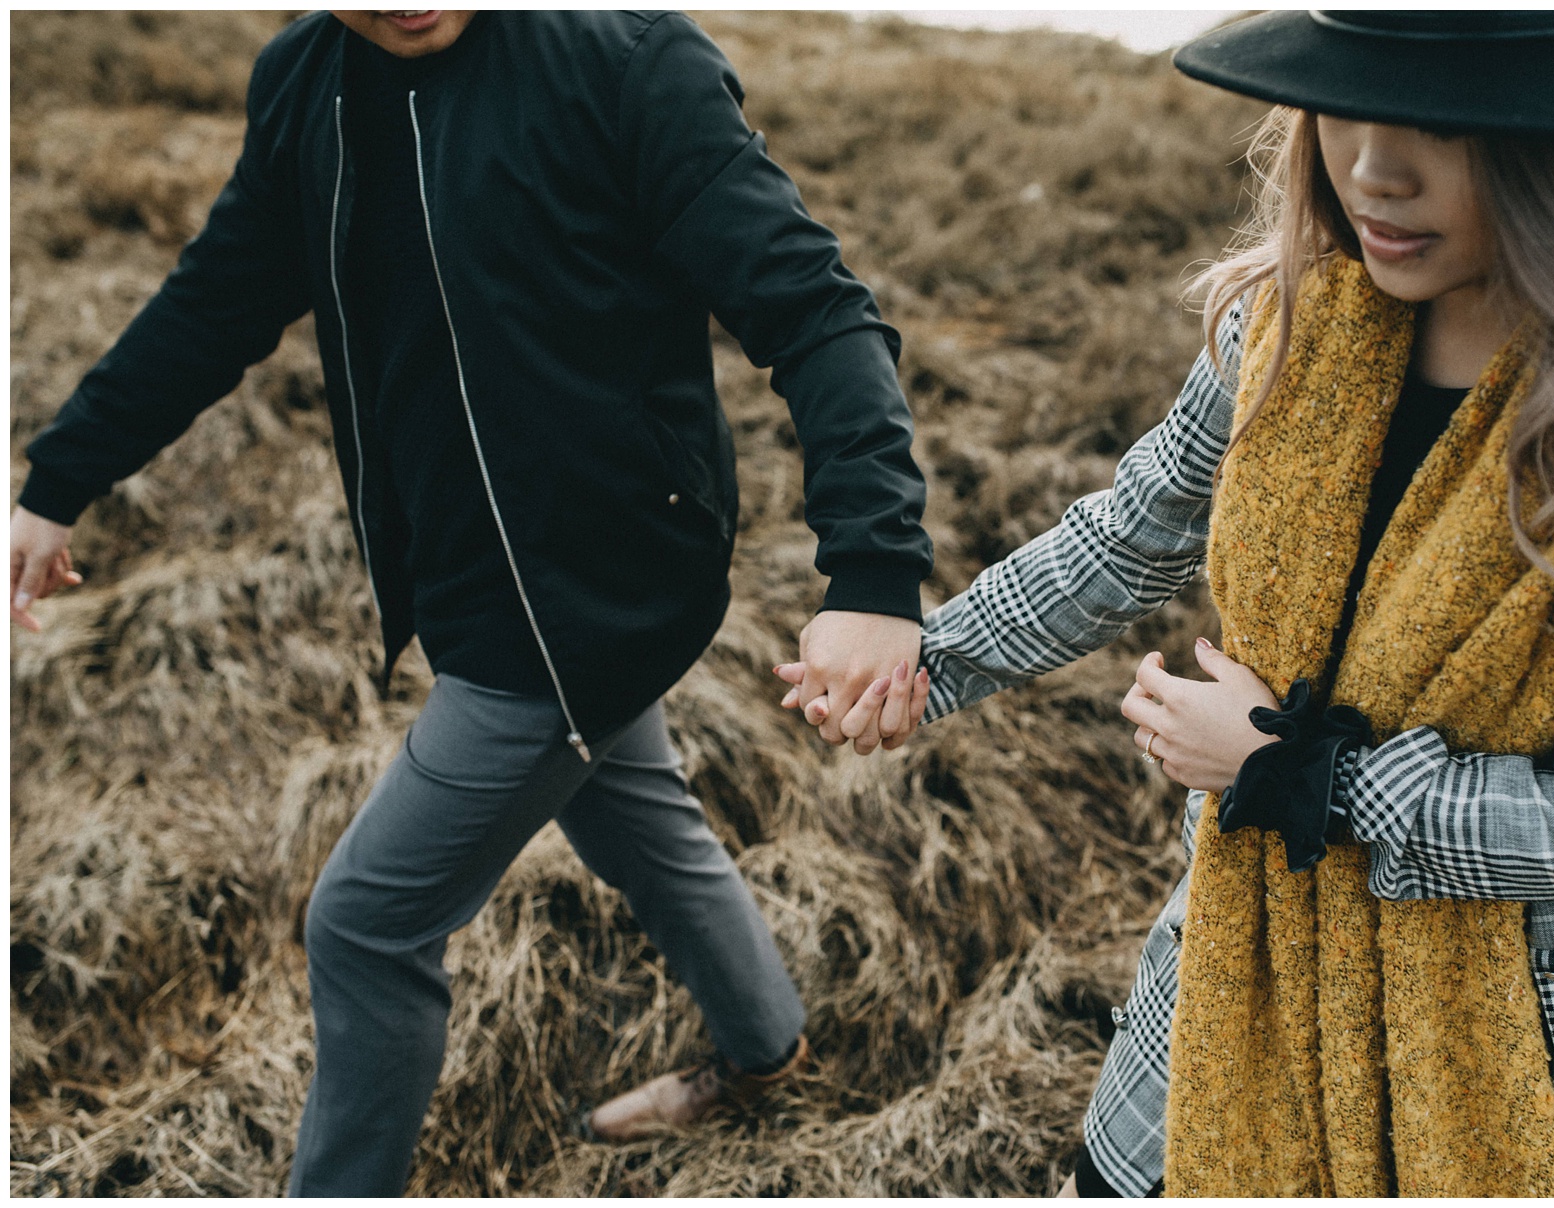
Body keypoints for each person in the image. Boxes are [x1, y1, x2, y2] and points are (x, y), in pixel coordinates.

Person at [796, 9, 1554, 1198]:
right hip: (1250, 964)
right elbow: (1137, 532)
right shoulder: (1290, 325)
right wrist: (927, 658)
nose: (1374, 166)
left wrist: (1295, 774)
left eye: (1440, 118)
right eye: (1349, 102)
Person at [11, 10, 933, 1196]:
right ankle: (766, 1049)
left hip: (593, 591)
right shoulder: (303, 82)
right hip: (464, 571)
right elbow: (216, 299)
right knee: (639, 819)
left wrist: (872, 575)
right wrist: (61, 476)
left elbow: (817, 309)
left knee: (364, 923)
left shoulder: (625, 60)